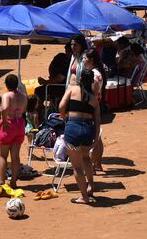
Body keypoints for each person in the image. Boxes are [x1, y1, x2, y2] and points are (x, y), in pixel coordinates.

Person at [59, 69, 100, 204]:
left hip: (73, 128)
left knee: (77, 167)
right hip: (88, 129)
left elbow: (61, 106)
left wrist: (65, 118)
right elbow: (97, 120)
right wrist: (95, 138)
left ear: (80, 78)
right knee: (86, 158)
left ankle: (84, 196)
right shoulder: (94, 98)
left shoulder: (72, 89)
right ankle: (91, 186)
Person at [0, 74, 28, 189]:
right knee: (15, 156)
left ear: (6, 85)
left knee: (3, 156)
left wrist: (4, 120)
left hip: (9, 123)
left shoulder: (7, 95)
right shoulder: (23, 96)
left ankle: (2, 182)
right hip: (19, 124)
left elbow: (4, 108)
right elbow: (24, 109)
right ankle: (13, 181)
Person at [83, 48, 105, 171]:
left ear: (91, 60)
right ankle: (98, 163)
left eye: (85, 58)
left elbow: (92, 94)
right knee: (98, 136)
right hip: (95, 107)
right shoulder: (96, 73)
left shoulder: (94, 75)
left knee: (95, 137)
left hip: (91, 109)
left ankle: (94, 164)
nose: (83, 60)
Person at [34, 43, 71, 115]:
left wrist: (46, 82)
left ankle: (40, 113)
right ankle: (41, 110)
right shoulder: (61, 57)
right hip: (54, 85)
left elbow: (60, 78)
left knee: (39, 92)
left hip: (62, 87)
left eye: (68, 51)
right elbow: (52, 67)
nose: (67, 52)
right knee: (38, 91)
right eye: (66, 50)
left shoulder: (70, 62)